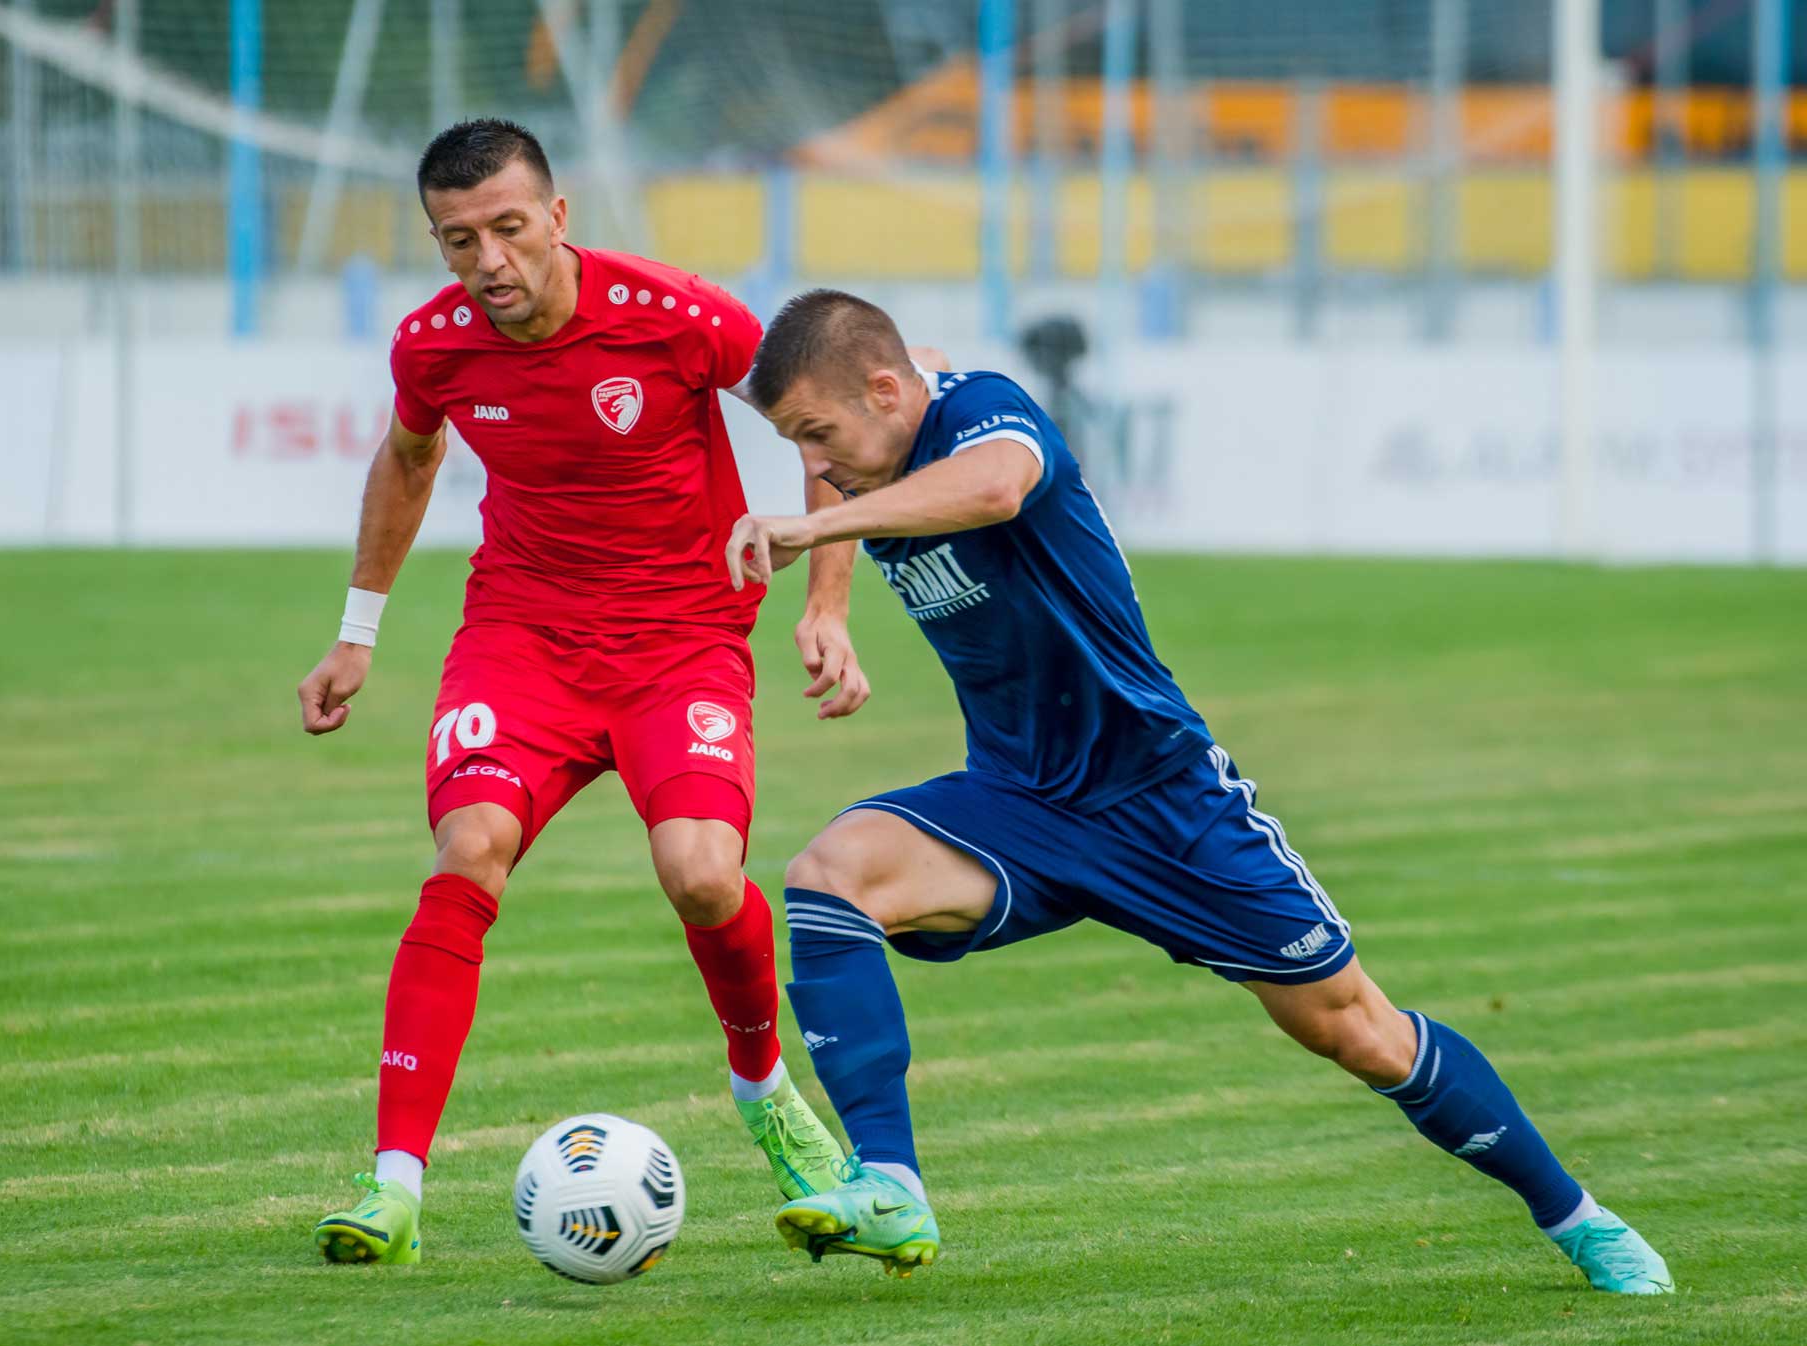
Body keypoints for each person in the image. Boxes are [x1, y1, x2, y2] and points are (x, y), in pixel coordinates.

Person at [721, 288, 1674, 1295]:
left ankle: (1578, 1215)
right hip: (1021, 801)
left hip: (1167, 803)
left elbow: (997, 488)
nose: (816, 466)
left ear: (885, 389)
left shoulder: (983, 415)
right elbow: (843, 450)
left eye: (818, 435)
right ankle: (892, 1182)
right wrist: (829, 601)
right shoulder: (872, 429)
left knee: (1358, 1029)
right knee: (832, 873)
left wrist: (814, 527)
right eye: (799, 446)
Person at [298, 121, 858, 1265]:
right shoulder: (436, 346)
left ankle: (765, 1093)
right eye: (461, 239)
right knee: (469, 847)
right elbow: (408, 460)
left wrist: (828, 602)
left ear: (558, 218)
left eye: (509, 228)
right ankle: (393, 1184)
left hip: (681, 639)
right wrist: (358, 632)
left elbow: (823, 428)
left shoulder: (677, 315)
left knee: (704, 875)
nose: (489, 259)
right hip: (523, 640)